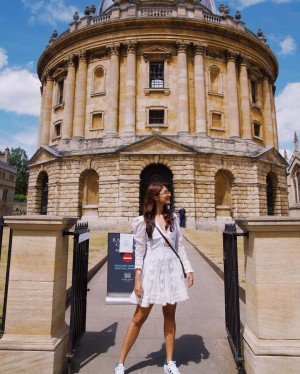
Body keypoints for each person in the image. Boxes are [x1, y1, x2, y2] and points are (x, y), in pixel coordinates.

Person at [115, 183, 194, 374]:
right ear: (155, 196)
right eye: (165, 192)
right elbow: (140, 251)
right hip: (151, 270)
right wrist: (137, 278)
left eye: (168, 191)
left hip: (171, 269)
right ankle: (120, 363)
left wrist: (188, 269)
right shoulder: (143, 221)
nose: (169, 194)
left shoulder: (173, 218)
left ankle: (169, 362)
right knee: (139, 317)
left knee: (170, 315)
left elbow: (180, 246)